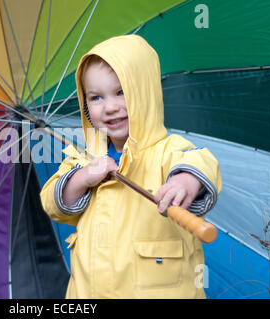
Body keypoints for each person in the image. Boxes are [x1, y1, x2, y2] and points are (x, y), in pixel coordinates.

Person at [40, 35, 222, 298]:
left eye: (121, 92)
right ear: (86, 106)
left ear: (145, 92)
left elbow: (199, 162)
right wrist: (81, 178)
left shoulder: (168, 150)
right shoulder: (83, 159)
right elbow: (52, 203)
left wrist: (183, 182)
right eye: (96, 98)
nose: (110, 107)